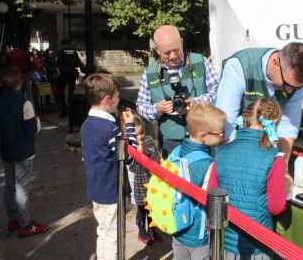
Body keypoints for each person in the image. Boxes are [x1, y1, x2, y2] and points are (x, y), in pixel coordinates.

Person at [215, 42, 303, 181]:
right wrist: (235, 167)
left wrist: (282, 168)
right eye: (287, 85)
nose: (290, 91)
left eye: (296, 87)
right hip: (234, 146)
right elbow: (226, 123)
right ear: (275, 62)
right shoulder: (239, 66)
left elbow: (288, 126)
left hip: (265, 150)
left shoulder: (296, 82)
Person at [213, 98, 288, 259]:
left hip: (226, 241)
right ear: (274, 123)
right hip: (258, 243)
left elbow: (212, 194)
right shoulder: (274, 157)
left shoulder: (220, 151)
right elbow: (276, 207)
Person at [136, 25, 219, 157]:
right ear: (157, 50)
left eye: (176, 50)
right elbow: (141, 106)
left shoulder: (200, 62)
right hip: (170, 141)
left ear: (181, 42)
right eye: (167, 53)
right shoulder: (150, 73)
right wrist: (157, 109)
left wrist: (197, 103)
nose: (173, 56)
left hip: (204, 136)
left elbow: (218, 92)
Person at [80, 73, 136, 260]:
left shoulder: (88, 124)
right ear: (107, 100)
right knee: (113, 234)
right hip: (112, 190)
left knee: (104, 231)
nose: (119, 101)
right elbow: (130, 156)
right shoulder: (109, 128)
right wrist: (129, 127)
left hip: (97, 187)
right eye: (117, 97)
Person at [0, 66, 48, 237]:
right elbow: (32, 130)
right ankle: (25, 224)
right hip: (24, 151)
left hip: (6, 150)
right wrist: (36, 122)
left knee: (9, 186)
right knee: (21, 187)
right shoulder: (25, 103)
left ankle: (13, 219)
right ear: (20, 83)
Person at [169, 103, 226, 260]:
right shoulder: (206, 163)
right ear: (203, 136)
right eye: (221, 133)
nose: (224, 136)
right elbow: (212, 200)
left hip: (177, 225)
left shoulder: (177, 151)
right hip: (198, 236)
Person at [122, 113, 160, 244]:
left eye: (141, 133)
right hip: (138, 185)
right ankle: (141, 231)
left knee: (152, 208)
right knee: (141, 211)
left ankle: (152, 230)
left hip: (151, 182)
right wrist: (139, 148)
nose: (139, 137)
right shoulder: (128, 147)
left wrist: (144, 147)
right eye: (136, 135)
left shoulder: (148, 140)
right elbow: (134, 167)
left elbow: (155, 158)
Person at [57, 39, 84, 117]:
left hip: (64, 75)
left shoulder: (61, 52)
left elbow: (58, 63)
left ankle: (64, 111)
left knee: (61, 93)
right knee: (71, 93)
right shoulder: (73, 52)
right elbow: (78, 63)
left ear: (63, 44)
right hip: (72, 74)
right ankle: (72, 110)